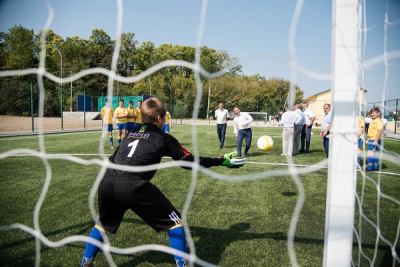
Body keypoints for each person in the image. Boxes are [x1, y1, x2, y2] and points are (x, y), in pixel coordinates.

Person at [80, 98, 242, 267]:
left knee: (102, 224)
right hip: (133, 184)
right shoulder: (163, 137)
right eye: (164, 116)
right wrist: (220, 161)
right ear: (159, 118)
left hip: (107, 181)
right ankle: (183, 264)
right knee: (175, 222)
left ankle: (85, 263)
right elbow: (188, 161)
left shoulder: (130, 132)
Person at [366, 107, 383, 171]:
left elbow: (379, 131)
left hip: (375, 139)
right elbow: (371, 131)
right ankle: (375, 167)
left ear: (378, 113)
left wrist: (376, 140)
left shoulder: (379, 121)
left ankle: (370, 167)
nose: (372, 114)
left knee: (371, 153)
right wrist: (368, 139)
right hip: (371, 139)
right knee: (374, 153)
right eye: (371, 113)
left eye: (374, 113)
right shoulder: (373, 121)